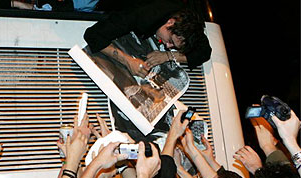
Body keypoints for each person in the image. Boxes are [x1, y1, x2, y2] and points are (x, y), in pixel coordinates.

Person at [84, 0, 212, 142]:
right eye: (169, 40)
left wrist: (168, 56)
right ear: (170, 22)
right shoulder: (140, 14)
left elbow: (205, 52)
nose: (168, 46)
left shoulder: (189, 22)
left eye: (173, 45)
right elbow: (92, 35)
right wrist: (128, 61)